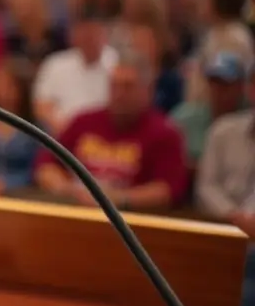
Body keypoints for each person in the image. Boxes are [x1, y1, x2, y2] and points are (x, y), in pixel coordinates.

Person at [34, 51, 189, 211]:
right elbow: (46, 165)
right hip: (78, 211)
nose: (119, 94)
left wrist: (118, 199)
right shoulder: (83, 121)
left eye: (128, 87)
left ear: (148, 90)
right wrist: (65, 188)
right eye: (114, 85)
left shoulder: (165, 133)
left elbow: (167, 191)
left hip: (131, 221)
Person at [32, 2, 118, 134]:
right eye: (84, 31)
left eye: (94, 31)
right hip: (63, 138)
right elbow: (41, 107)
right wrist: (69, 133)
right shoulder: (55, 64)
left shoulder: (117, 63)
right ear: (74, 34)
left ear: (104, 33)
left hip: (106, 138)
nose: (89, 38)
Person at [171, 51, 248, 164]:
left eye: (225, 84)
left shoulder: (248, 123)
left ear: (240, 87)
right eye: (213, 83)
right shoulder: (184, 118)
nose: (218, 91)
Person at [0, 68, 39, 195]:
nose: (1, 90)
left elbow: (37, 169)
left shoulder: (37, 128)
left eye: (8, 85)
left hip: (22, 193)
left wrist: (7, 183)